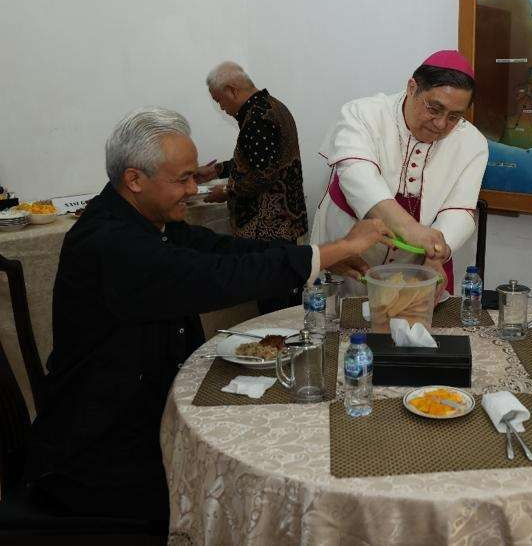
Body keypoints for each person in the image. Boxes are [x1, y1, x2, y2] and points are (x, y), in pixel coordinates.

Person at [25, 108, 391, 530]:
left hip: (145, 409)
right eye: (182, 179)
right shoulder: (109, 242)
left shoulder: (147, 219)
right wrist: (328, 253)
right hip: (103, 449)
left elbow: (224, 251)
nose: (193, 188)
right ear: (134, 179)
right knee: (242, 485)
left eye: (194, 176)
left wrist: (321, 256)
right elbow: (217, 277)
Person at [311, 50, 488, 296]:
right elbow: (358, 176)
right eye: (434, 108)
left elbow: (459, 209)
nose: (440, 124)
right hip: (350, 248)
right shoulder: (364, 113)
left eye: (454, 117)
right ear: (412, 87)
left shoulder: (472, 142)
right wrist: (412, 231)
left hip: (414, 260)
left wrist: (436, 250)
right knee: (340, 320)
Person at [196, 61, 309, 313]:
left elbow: (262, 176)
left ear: (231, 90)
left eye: (219, 100)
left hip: (268, 230)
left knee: (275, 309)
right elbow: (257, 162)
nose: (222, 108)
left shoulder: (256, 118)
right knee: (287, 302)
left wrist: (225, 191)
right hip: (284, 225)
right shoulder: (271, 106)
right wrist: (215, 171)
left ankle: (276, 350)